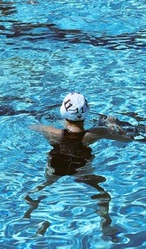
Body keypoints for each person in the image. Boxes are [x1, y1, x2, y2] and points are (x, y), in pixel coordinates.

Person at [25, 92, 132, 238]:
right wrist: (114, 124)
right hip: (81, 170)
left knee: (36, 190)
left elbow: (31, 126)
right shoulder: (95, 133)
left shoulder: (52, 132)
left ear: (63, 112)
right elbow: (126, 139)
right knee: (104, 196)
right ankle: (105, 225)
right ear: (86, 112)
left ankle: (31, 214)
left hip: (54, 169)